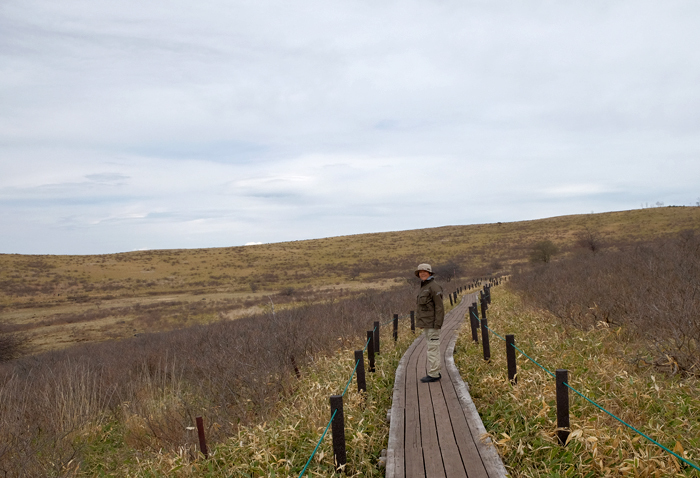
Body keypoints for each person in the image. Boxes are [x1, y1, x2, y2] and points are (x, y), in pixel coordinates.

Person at [415, 263, 444, 383]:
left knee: (432, 348)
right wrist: (422, 323)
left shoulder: (434, 287)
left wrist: (437, 324)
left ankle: (434, 374)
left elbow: (439, 307)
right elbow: (424, 308)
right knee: (431, 348)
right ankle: (435, 371)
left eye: (425, 272)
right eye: (420, 272)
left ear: (430, 273)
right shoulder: (425, 286)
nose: (422, 273)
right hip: (428, 324)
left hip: (433, 324)